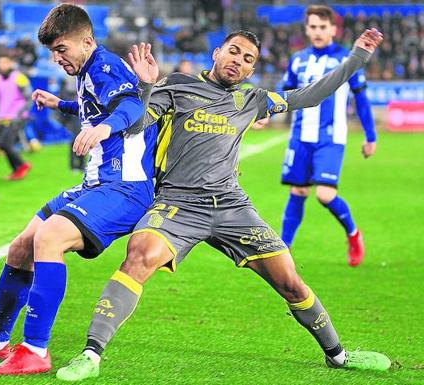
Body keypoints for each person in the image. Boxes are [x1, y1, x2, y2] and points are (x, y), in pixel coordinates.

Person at [57, 29, 390, 381]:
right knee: (140, 255)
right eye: (234, 52)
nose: (239, 61)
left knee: (290, 281)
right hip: (178, 203)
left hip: (232, 207)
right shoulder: (178, 85)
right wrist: (146, 86)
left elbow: (310, 96)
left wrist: (357, 57)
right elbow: (137, 125)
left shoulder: (253, 99)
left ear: (251, 70)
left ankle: (337, 355)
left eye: (248, 59)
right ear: (217, 52)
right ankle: (91, 354)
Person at [0, 4, 156, 376]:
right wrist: (59, 103)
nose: (57, 59)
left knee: (50, 237)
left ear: (87, 41)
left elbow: (131, 108)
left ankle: (36, 350)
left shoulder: (106, 66)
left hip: (125, 187)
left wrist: (105, 130)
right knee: (21, 245)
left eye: (62, 50)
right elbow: (95, 107)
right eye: (53, 52)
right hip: (95, 184)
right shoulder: (88, 69)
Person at [279, 5, 377, 267]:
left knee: (324, 194)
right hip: (300, 135)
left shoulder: (348, 59)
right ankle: (283, 249)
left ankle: (354, 234)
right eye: (313, 26)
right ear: (307, 29)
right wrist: (265, 114)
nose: (318, 31)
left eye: (323, 27)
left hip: (331, 138)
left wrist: (371, 136)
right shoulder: (298, 59)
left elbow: (362, 99)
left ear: (333, 29)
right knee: (298, 190)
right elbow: (284, 93)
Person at [0, 51, 32, 181]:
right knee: (4, 145)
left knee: (4, 144)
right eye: (0, 63)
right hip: (2, 118)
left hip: (16, 118)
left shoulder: (19, 77)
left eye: (5, 62)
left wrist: (19, 115)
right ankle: (17, 170)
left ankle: (22, 165)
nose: (2, 65)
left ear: (11, 63)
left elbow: (29, 99)